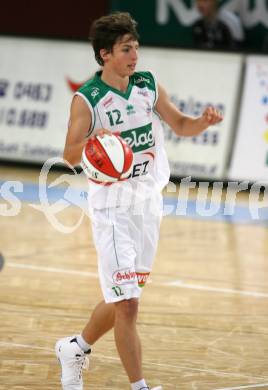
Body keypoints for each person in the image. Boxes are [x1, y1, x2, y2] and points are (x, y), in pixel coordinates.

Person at [55, 11, 223, 390]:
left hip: (148, 206)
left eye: (136, 47)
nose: (135, 56)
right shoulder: (88, 99)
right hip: (111, 209)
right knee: (129, 304)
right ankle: (140, 386)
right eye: (126, 49)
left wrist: (203, 122)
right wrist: (101, 145)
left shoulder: (147, 84)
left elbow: (180, 124)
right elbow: (69, 153)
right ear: (105, 55)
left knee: (121, 299)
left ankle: (75, 348)